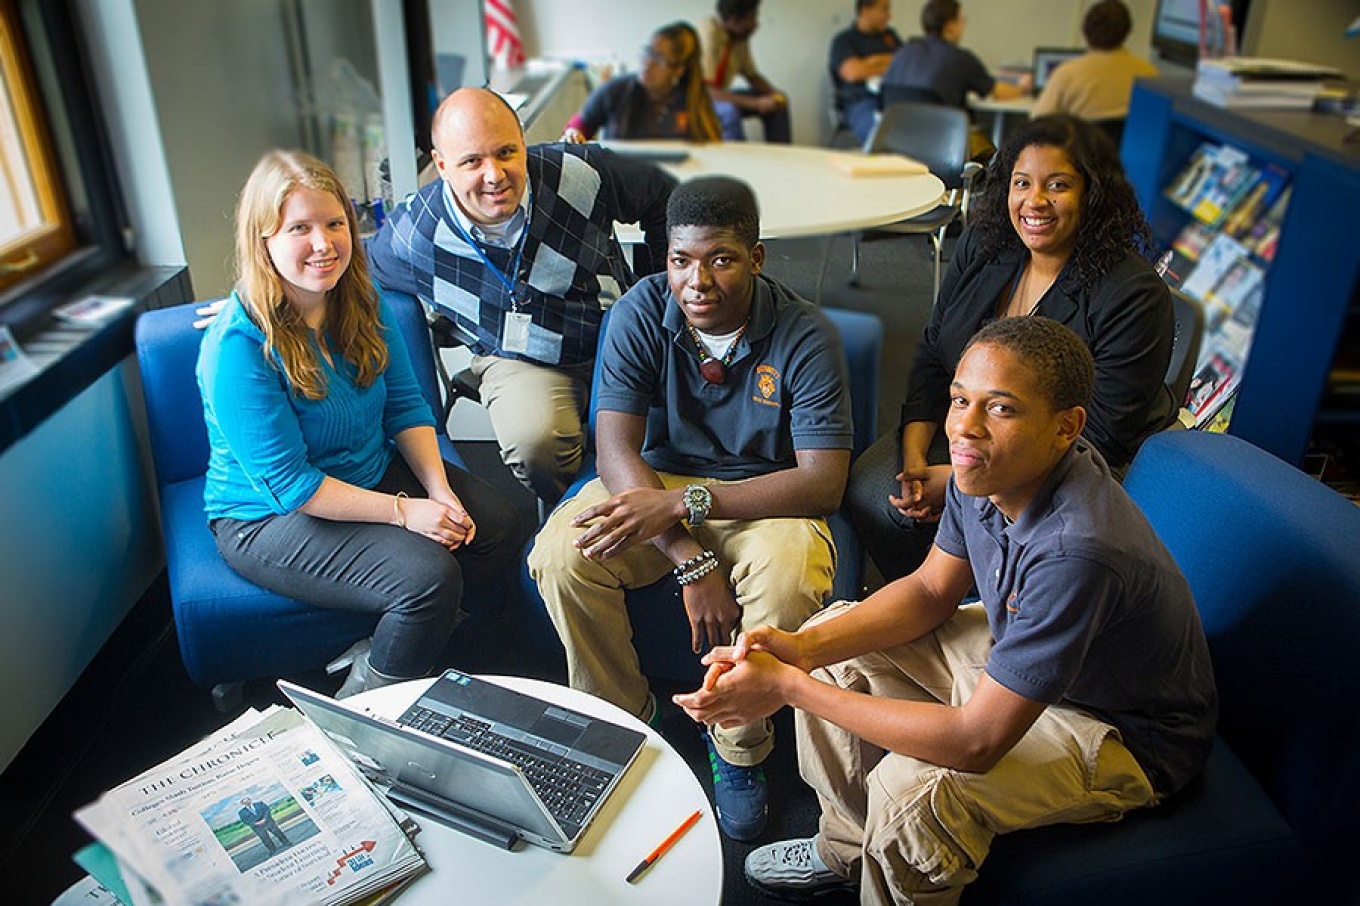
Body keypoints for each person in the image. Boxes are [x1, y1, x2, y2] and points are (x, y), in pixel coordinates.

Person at [676, 316, 1218, 904]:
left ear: (1066, 428)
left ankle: (893, 856)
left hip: (1119, 728)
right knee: (827, 640)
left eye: (1001, 409)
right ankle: (850, 850)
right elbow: (932, 590)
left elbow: (975, 741)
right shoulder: (982, 471)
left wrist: (789, 688)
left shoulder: (1078, 549)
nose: (966, 427)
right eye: (960, 400)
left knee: (912, 795)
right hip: (1029, 654)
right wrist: (800, 654)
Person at [528, 176, 853, 842]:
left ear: (755, 259)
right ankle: (623, 721)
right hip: (656, 484)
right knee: (562, 554)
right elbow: (615, 447)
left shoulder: (806, 334)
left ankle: (738, 747)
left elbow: (822, 483)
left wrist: (685, 503)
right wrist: (689, 556)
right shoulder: (641, 311)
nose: (696, 281)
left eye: (720, 259)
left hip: (768, 494)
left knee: (791, 578)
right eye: (681, 260)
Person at [198, 150, 525, 698]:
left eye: (334, 224)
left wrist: (439, 492)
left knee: (502, 521)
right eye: (299, 228)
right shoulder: (236, 347)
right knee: (427, 579)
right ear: (264, 241)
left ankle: (390, 646)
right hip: (267, 516)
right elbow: (294, 486)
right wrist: (405, 512)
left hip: (367, 470)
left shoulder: (360, 301)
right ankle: (364, 706)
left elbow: (406, 408)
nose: (324, 244)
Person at [845, 114, 1175, 584]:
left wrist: (959, 481)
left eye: (1057, 185)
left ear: (1092, 193)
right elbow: (936, 351)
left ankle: (985, 612)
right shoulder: (986, 244)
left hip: (1064, 456)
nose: (1034, 202)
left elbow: (1099, 432)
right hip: (976, 425)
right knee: (872, 489)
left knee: (993, 526)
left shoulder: (1132, 294)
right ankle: (935, 598)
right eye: (1022, 183)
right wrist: (916, 454)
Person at [367, 88, 677, 505]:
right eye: (472, 161)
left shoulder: (582, 172)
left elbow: (668, 195)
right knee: (536, 444)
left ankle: (643, 499)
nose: (494, 175)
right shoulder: (414, 232)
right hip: (519, 360)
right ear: (441, 165)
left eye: (506, 152)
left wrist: (658, 292)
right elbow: (357, 271)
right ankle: (579, 506)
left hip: (612, 333)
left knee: (687, 419)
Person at [881, 0, 1031, 160]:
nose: (963, 26)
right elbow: (999, 92)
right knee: (993, 156)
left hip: (899, 142)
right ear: (950, 26)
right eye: (961, 20)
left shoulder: (903, 53)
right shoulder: (961, 58)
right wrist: (1023, 86)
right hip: (946, 144)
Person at [561, 22, 721, 144]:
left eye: (659, 59)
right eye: (648, 52)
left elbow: (712, 149)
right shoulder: (616, 90)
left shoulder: (694, 99)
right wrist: (573, 133)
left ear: (679, 69)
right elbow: (579, 125)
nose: (647, 64)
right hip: (621, 178)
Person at [1031, 0, 1159, 121]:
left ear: (1085, 30)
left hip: (1080, 144)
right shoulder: (1148, 73)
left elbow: (1038, 121)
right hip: (1130, 144)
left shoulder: (1066, 74)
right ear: (1127, 31)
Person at [700, 0, 791, 143]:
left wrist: (773, 93)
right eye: (752, 17)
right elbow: (706, 91)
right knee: (729, 111)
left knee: (776, 106)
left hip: (720, 95)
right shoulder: (709, 32)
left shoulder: (738, 37)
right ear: (733, 19)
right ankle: (736, 162)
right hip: (700, 100)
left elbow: (752, 76)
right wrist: (755, 103)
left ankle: (782, 156)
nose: (756, 25)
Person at [829, 0, 901, 146]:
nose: (889, 15)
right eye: (884, 9)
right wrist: (889, 62)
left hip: (893, 100)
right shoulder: (844, 40)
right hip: (861, 102)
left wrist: (871, 62)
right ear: (865, 10)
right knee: (880, 136)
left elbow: (905, 62)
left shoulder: (890, 37)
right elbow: (853, 72)